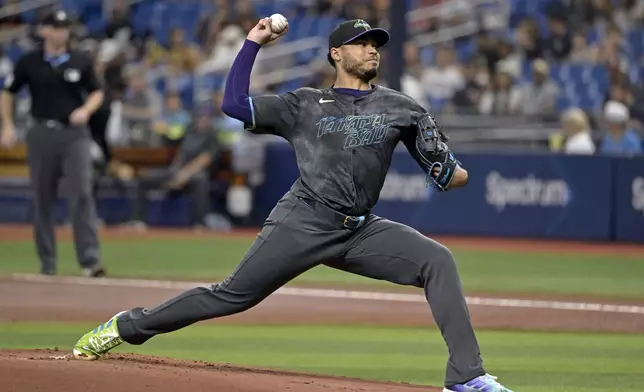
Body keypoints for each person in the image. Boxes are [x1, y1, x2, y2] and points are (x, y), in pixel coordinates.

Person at [72, 17, 515, 392]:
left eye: (375, 44)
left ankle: (466, 377)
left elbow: (447, 174)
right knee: (229, 297)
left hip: (360, 230)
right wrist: (252, 44)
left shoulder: (401, 107)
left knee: (437, 260)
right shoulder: (304, 104)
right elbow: (233, 104)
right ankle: (125, 326)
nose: (372, 49)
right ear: (336, 55)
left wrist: (451, 167)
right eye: (361, 43)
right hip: (303, 220)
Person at [0, 10, 106, 277]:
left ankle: (89, 261)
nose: (61, 32)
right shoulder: (29, 61)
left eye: (64, 27)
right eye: (55, 27)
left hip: (74, 134)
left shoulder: (80, 60)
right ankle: (47, 263)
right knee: (42, 197)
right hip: (41, 132)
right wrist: (8, 125)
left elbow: (97, 92)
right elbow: (8, 92)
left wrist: (86, 110)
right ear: (43, 30)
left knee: (81, 192)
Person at [123, 104, 220, 230]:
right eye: (199, 116)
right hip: (177, 171)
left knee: (201, 181)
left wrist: (184, 174)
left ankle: (199, 223)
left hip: (195, 174)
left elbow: (204, 159)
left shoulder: (212, 136)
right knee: (144, 180)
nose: (202, 119)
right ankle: (137, 220)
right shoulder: (190, 130)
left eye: (205, 117)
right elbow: (177, 146)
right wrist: (162, 131)